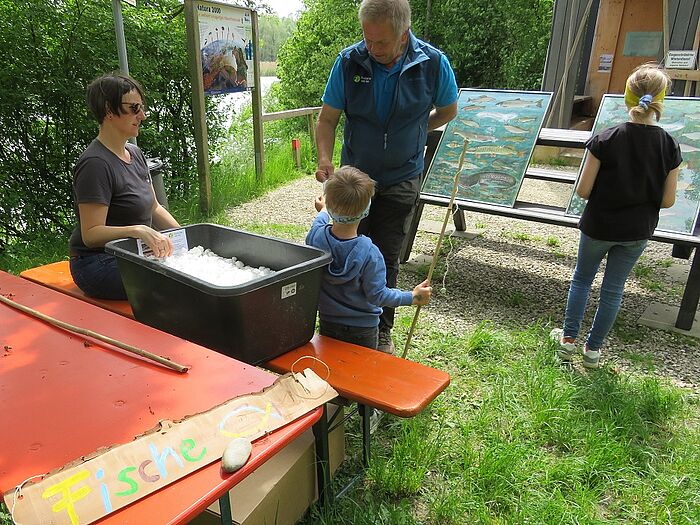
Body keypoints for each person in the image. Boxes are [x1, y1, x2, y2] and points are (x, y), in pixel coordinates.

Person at [315, 0, 458, 353]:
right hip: (356, 181)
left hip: (402, 177)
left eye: (380, 42)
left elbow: (449, 109)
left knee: (385, 256)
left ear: (403, 33)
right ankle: (335, 321)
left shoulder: (433, 63)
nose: (372, 48)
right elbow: (327, 118)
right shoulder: (349, 62)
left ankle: (380, 328)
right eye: (367, 39)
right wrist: (324, 159)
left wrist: (415, 131)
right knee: (341, 247)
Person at [551, 64, 682, 369]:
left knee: (582, 280)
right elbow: (667, 200)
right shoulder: (670, 145)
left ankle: (567, 342)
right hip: (636, 232)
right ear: (661, 101)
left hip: (598, 226)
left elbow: (583, 191)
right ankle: (593, 351)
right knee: (613, 289)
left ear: (627, 97)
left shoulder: (606, 138)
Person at [69, 72, 180, 300]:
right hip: (97, 263)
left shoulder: (135, 153)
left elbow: (154, 207)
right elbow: (91, 234)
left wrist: (185, 238)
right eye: (134, 108)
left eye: (142, 107)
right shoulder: (95, 164)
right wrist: (137, 230)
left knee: (193, 270)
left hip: (133, 254)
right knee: (178, 285)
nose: (143, 115)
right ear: (109, 110)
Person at [306, 166, 432, 351]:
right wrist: (412, 297)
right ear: (366, 210)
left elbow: (321, 219)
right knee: (358, 376)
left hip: (328, 322)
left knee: (331, 370)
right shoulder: (370, 253)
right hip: (363, 329)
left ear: (330, 207)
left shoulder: (316, 237)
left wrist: (324, 209)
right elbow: (378, 295)